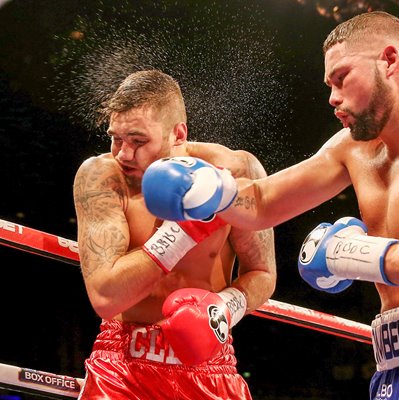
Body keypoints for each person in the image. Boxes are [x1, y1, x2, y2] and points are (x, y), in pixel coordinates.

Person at [142, 11, 399, 400]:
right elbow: (263, 202)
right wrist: (211, 190)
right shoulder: (354, 149)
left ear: (389, 60)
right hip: (394, 367)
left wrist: (350, 254)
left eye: (342, 78)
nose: (333, 97)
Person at [72, 69, 276, 399]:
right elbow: (106, 297)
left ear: (178, 134)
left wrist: (223, 308)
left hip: (209, 367)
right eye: (116, 138)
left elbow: (263, 273)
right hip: (123, 365)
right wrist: (185, 231)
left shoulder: (235, 172)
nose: (124, 153)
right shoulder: (102, 177)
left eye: (138, 141)